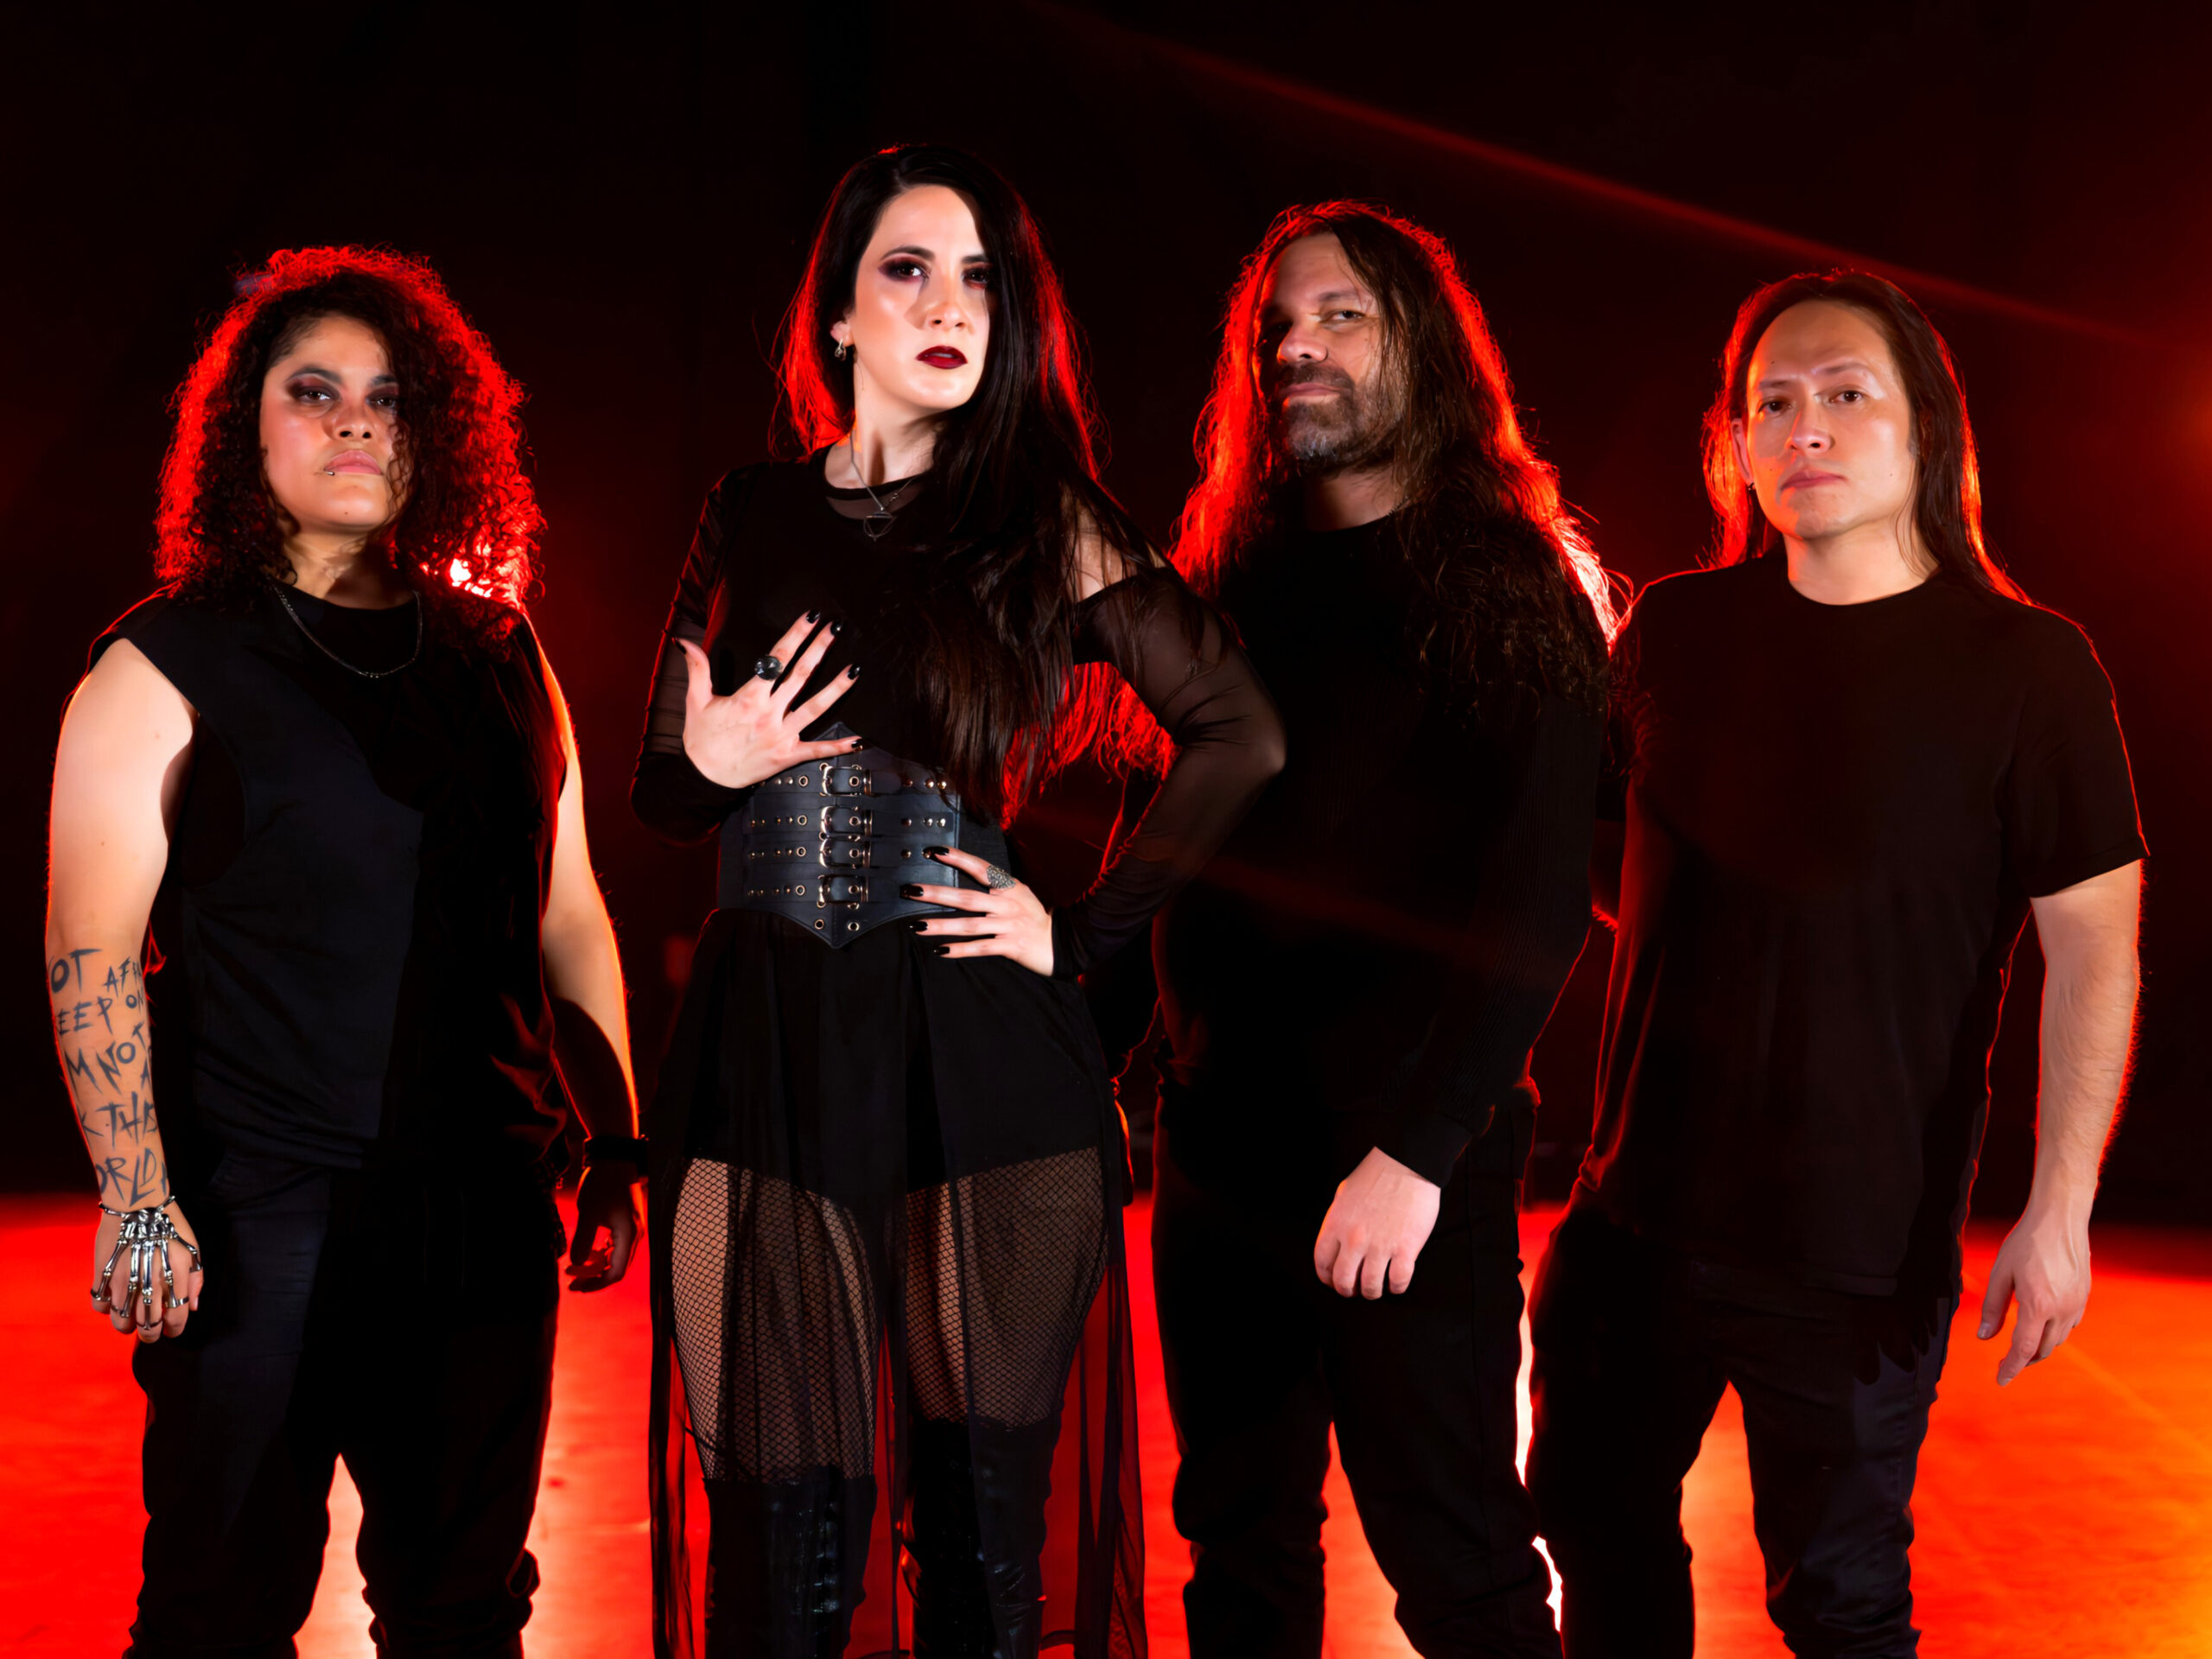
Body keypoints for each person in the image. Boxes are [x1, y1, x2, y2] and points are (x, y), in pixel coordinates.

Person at [631, 143, 1284, 1659]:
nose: (949, 307)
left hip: (976, 1051)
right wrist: (716, 760)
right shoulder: (748, 508)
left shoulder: (1042, 514)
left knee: (985, 1543)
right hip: (772, 1048)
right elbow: (662, 792)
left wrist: (1085, 933)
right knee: (781, 1535)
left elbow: (1241, 730)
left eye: (982, 281)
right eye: (909, 271)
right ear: (838, 317)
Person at [1526, 270, 2145, 1658]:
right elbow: (1606, 868)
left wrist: (2061, 1208)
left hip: (1856, 1250)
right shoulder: (1676, 629)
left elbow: (2095, 950)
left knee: (1841, 1608)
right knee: (1592, 1538)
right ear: (1738, 446)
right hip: (1634, 1222)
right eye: (1773, 403)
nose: (1803, 426)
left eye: (1845, 394)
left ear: (1928, 426)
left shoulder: (2031, 669)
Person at [45, 245, 645, 1658]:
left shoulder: (502, 653)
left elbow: (568, 915)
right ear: (243, 434)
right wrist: (139, 1198)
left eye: (389, 398)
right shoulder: (161, 661)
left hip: (485, 1212)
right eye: (313, 392)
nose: (357, 422)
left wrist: (614, 1142)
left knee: (463, 1614)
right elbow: (89, 946)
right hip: (258, 1216)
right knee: (220, 1610)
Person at [1138, 200, 1613, 1658]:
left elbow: (1543, 895)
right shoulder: (1237, 577)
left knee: (1457, 1561)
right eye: (1279, 325)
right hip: (1218, 1149)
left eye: (1342, 315)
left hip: (1403, 1163)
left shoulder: (1509, 582)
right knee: (1237, 1544)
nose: (1300, 346)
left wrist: (1416, 1155)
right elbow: (1177, 841)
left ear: (1423, 345)